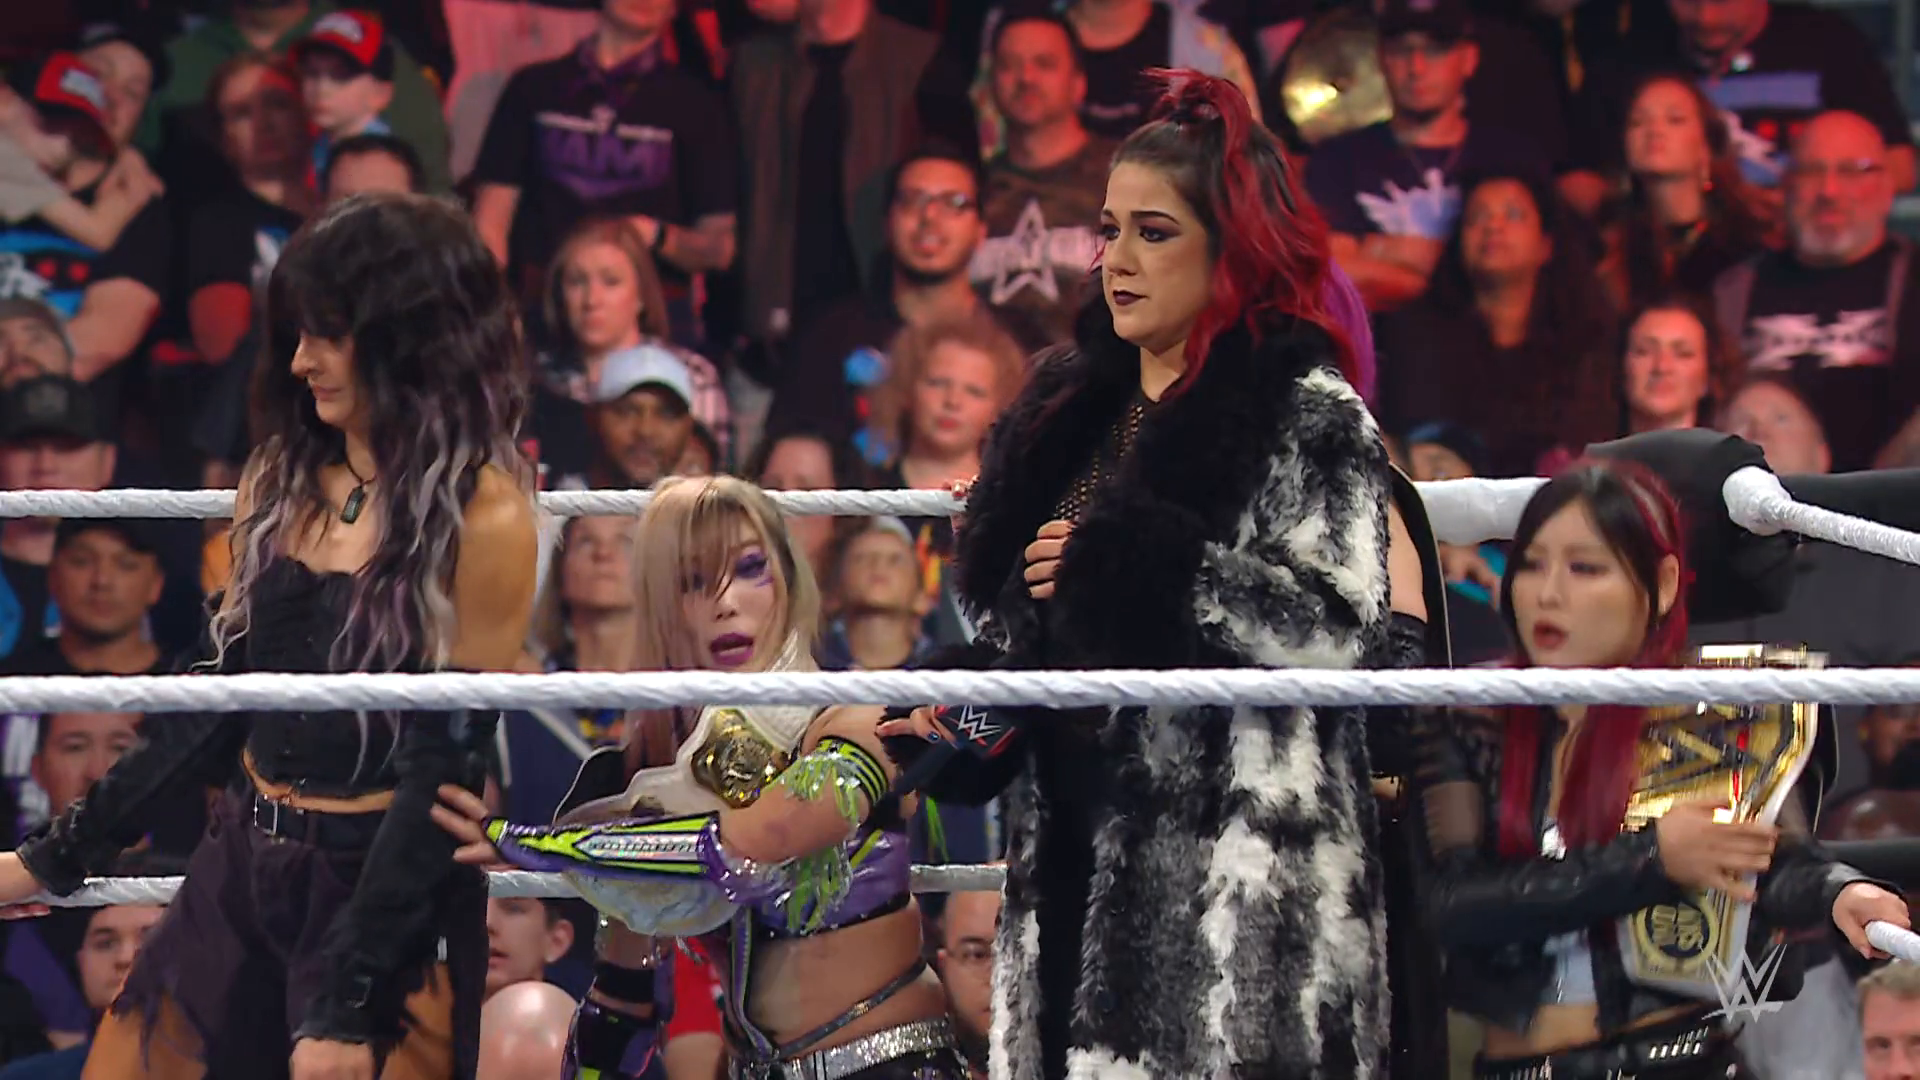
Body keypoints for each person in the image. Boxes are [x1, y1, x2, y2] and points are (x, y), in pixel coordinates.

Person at [875, 69, 1432, 1079]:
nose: (1118, 260)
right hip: (1069, 862)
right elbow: (1027, 634)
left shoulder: (1305, 410)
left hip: (1239, 899)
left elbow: (1336, 629)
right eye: (1109, 230)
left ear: (1232, 249)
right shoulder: (1063, 411)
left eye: (1154, 232)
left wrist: (1149, 570)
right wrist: (965, 713)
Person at [0, 192, 540, 1079]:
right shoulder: (280, 477)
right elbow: (218, 699)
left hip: (382, 896)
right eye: (297, 332)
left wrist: (352, 1002)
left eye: (328, 335)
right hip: (243, 861)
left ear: (408, 339)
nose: (300, 360)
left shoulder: (484, 518)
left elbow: (440, 778)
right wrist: (55, 855)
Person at [430, 475, 969, 1080]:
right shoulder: (653, 774)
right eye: (692, 582)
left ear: (787, 580)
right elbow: (623, 999)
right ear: (662, 607)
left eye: (749, 569)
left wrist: (534, 844)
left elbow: (754, 840)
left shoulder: (860, 719)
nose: (725, 602)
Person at [1409, 458, 1911, 1079]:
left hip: (1680, 1061)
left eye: (1585, 568)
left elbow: (1771, 861)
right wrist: (1651, 860)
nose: (1549, 593)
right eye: (1532, 564)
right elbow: (1451, 905)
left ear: (1663, 583)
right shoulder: (1469, 716)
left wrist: (1841, 892)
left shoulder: (1722, 708)